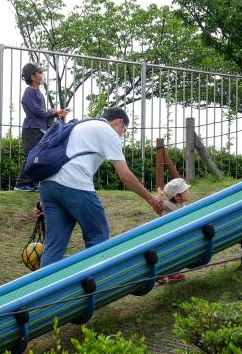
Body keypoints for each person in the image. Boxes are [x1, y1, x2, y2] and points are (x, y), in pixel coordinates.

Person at [39, 107, 163, 267]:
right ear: (119, 122)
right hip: (74, 183)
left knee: (54, 244)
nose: (122, 134)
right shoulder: (107, 131)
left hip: (47, 184)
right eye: (124, 130)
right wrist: (151, 199)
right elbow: (124, 175)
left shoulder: (79, 125)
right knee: (98, 235)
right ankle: (95, 285)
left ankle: (45, 290)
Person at [14, 62, 69, 192]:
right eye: (40, 73)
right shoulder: (29, 92)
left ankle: (32, 182)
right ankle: (22, 184)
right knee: (31, 156)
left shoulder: (39, 93)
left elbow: (42, 113)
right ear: (33, 77)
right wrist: (53, 112)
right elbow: (36, 111)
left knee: (37, 156)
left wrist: (55, 113)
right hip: (31, 130)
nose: (42, 75)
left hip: (39, 129)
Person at [156, 177, 191, 283]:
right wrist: (159, 196)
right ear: (177, 197)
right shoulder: (168, 208)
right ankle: (163, 274)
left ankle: (168, 273)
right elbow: (159, 207)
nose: (188, 192)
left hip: (176, 238)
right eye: (185, 191)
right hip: (169, 239)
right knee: (171, 254)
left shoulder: (182, 207)